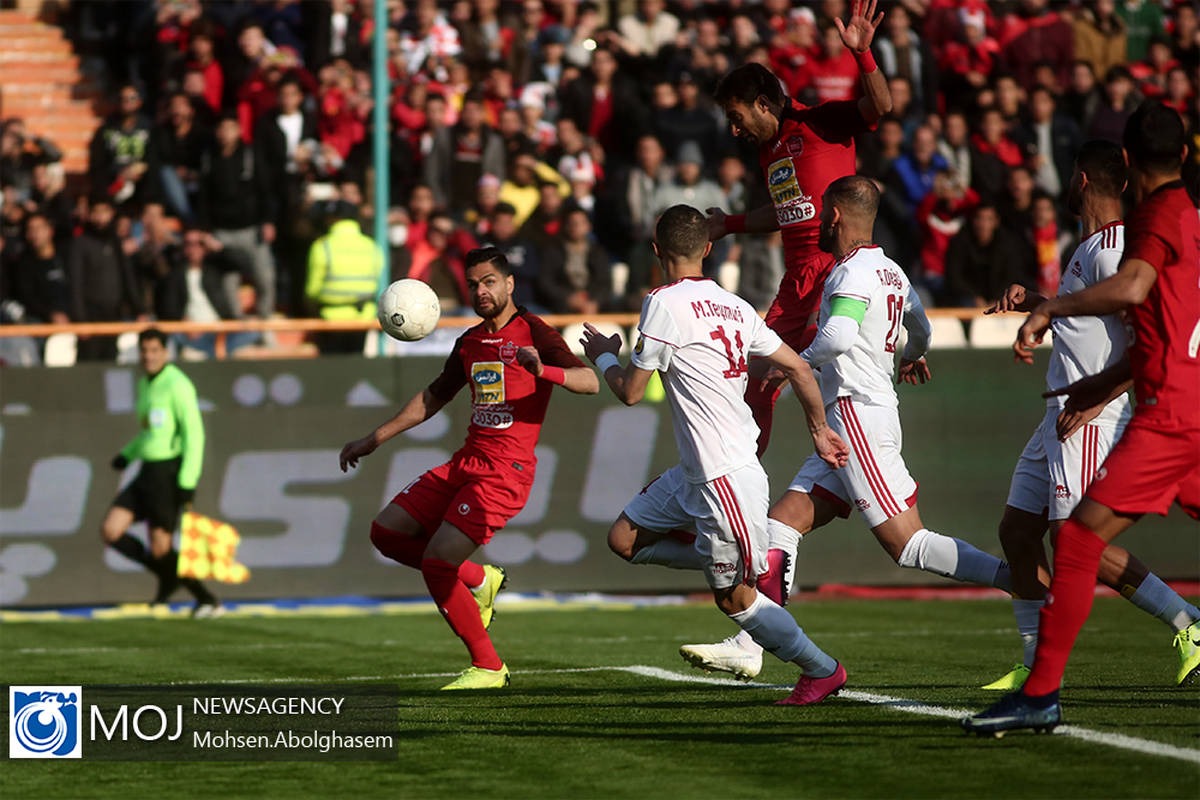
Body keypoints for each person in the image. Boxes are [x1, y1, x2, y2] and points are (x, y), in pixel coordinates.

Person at [682, 177, 1013, 680]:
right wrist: (912, 355)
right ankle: (751, 644)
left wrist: (792, 363)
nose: (817, 220)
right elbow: (921, 328)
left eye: (821, 212)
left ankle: (1019, 580)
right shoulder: (891, 270)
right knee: (782, 524)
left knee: (908, 544)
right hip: (855, 420)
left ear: (834, 216)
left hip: (857, 418)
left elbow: (836, 337)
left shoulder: (851, 272)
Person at [964, 102, 1200, 736]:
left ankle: (1186, 623)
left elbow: (1137, 320)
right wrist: (1039, 302)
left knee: (1078, 541)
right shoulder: (1100, 245)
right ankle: (1032, 669)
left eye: (1071, 174)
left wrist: (1097, 394)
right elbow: (1102, 321)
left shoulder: (1124, 242)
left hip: (1094, 416)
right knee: (1018, 531)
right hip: (1063, 409)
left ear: (1087, 177)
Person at [581, 205, 851, 706]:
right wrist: (819, 430)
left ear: (656, 251)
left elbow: (631, 392)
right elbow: (799, 368)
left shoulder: (661, 302)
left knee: (734, 599)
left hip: (723, 475)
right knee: (624, 539)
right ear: (708, 248)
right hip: (698, 473)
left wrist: (602, 356)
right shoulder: (736, 306)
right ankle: (749, 557)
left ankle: (822, 670)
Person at [338, 247, 598, 689]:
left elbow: (589, 382)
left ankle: (489, 666)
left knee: (438, 563)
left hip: (505, 473)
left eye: (489, 282)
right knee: (386, 532)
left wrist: (543, 371)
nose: (481, 292)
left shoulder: (535, 332)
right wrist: (374, 438)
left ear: (510, 283)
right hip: (466, 462)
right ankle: (480, 579)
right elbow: (432, 397)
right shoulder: (470, 341)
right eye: (474, 284)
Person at [706, 0, 893, 458]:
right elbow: (787, 210)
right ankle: (741, 476)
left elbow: (880, 105)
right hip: (797, 280)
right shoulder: (767, 150)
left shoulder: (819, 121)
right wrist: (728, 224)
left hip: (836, 267)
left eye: (736, 117)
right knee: (756, 382)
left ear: (762, 104)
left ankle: (861, 456)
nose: (734, 130)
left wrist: (863, 54)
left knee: (824, 362)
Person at [101, 328, 220, 616]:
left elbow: (194, 435)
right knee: (111, 531)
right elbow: (149, 432)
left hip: (168, 474)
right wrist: (127, 454)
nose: (149, 356)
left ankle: (206, 599)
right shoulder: (145, 384)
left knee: (161, 549)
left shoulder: (177, 385)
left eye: (155, 350)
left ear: (166, 352)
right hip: (147, 472)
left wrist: (187, 480)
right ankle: (167, 576)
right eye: (144, 351)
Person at [305, 201, 382, 354]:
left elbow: (311, 291)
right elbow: (379, 282)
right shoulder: (372, 246)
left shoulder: (322, 246)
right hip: (364, 318)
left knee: (332, 365)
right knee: (357, 362)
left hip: (330, 319)